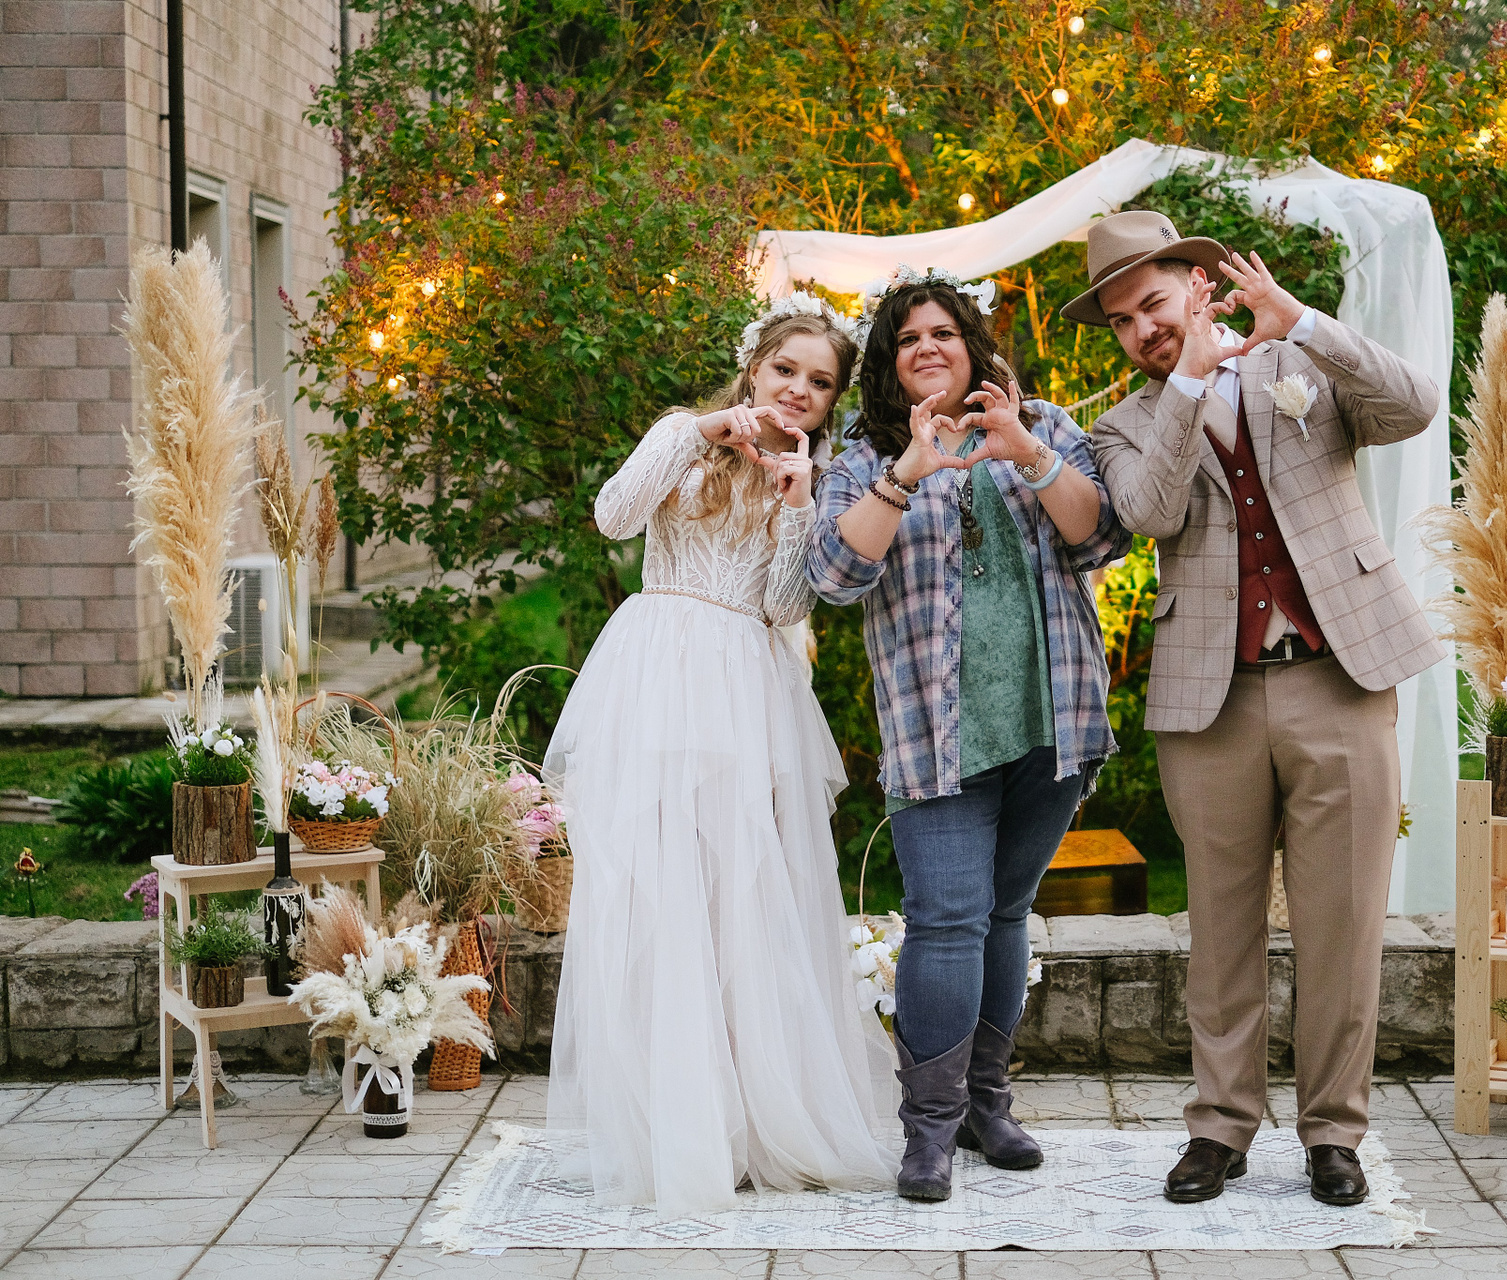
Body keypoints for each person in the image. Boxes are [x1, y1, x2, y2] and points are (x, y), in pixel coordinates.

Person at [1071, 211, 1445, 1207]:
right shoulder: (1123, 425)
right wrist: (1187, 384)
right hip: (1213, 700)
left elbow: (1415, 404)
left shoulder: (1302, 362)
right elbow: (1149, 510)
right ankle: (1220, 1127)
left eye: (1152, 304)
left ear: (1200, 285)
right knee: (1220, 928)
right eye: (1121, 322)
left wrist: (1305, 321)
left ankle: (1334, 1131)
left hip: (1341, 675)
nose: (1141, 331)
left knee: (1343, 926)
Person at [543, 295, 900, 1218]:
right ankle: (673, 1125)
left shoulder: (809, 479)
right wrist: (698, 430)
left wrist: (795, 503)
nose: (799, 390)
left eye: (820, 382)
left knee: (741, 896)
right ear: (754, 367)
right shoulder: (685, 438)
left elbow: (785, 606)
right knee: (659, 894)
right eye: (787, 370)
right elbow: (613, 516)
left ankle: (748, 1118)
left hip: (746, 688)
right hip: (659, 677)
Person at [806, 266, 1129, 1202]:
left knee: (1005, 912)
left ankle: (988, 1105)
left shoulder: (1046, 426)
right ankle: (931, 1130)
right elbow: (832, 577)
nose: (928, 348)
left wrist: (1027, 453)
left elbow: (1100, 537)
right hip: (933, 731)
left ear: (972, 345)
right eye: (909, 339)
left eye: (943, 333)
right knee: (946, 917)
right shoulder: (864, 460)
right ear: (890, 363)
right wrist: (908, 472)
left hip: (1051, 719)